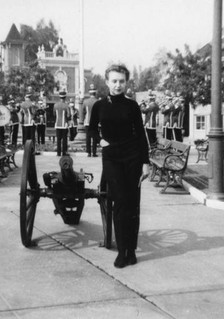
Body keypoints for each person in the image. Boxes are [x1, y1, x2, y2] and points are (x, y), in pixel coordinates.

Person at [89, 64, 149, 269]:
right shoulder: (99, 106)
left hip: (132, 158)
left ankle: (131, 251)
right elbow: (91, 129)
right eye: (114, 81)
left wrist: (146, 163)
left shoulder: (132, 106)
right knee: (119, 203)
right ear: (107, 82)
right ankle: (121, 251)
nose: (118, 85)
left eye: (121, 81)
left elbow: (141, 135)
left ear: (126, 83)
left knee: (133, 205)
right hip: (112, 159)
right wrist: (100, 141)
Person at [83, 84, 99, 157]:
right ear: (95, 93)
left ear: (89, 93)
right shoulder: (97, 101)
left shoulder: (85, 102)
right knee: (95, 138)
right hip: (95, 123)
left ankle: (89, 152)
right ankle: (94, 152)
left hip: (87, 122)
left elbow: (83, 112)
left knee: (88, 138)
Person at [53, 90, 71, 156]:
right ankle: (64, 152)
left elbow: (54, 114)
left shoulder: (55, 105)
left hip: (57, 124)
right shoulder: (66, 106)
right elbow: (69, 115)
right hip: (64, 124)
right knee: (64, 139)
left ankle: (58, 152)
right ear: (65, 97)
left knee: (58, 139)